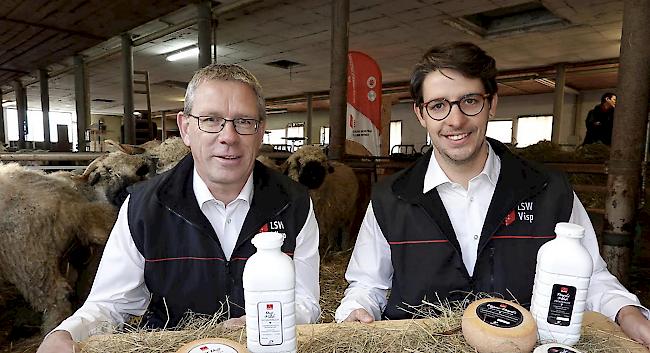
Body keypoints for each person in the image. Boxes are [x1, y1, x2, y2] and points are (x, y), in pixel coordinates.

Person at [334, 42, 650, 346]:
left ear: (492, 104)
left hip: (520, 345)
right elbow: (368, 284)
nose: (455, 120)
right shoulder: (391, 198)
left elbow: (590, 277)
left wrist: (627, 312)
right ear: (421, 114)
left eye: (470, 101)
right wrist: (356, 311)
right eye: (438, 105)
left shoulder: (548, 190)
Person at [37, 64, 321, 352]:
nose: (228, 137)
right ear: (186, 128)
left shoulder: (294, 204)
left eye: (244, 122)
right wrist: (67, 333)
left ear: (260, 131)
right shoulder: (145, 206)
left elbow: (306, 302)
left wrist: (264, 323)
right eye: (210, 120)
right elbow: (110, 304)